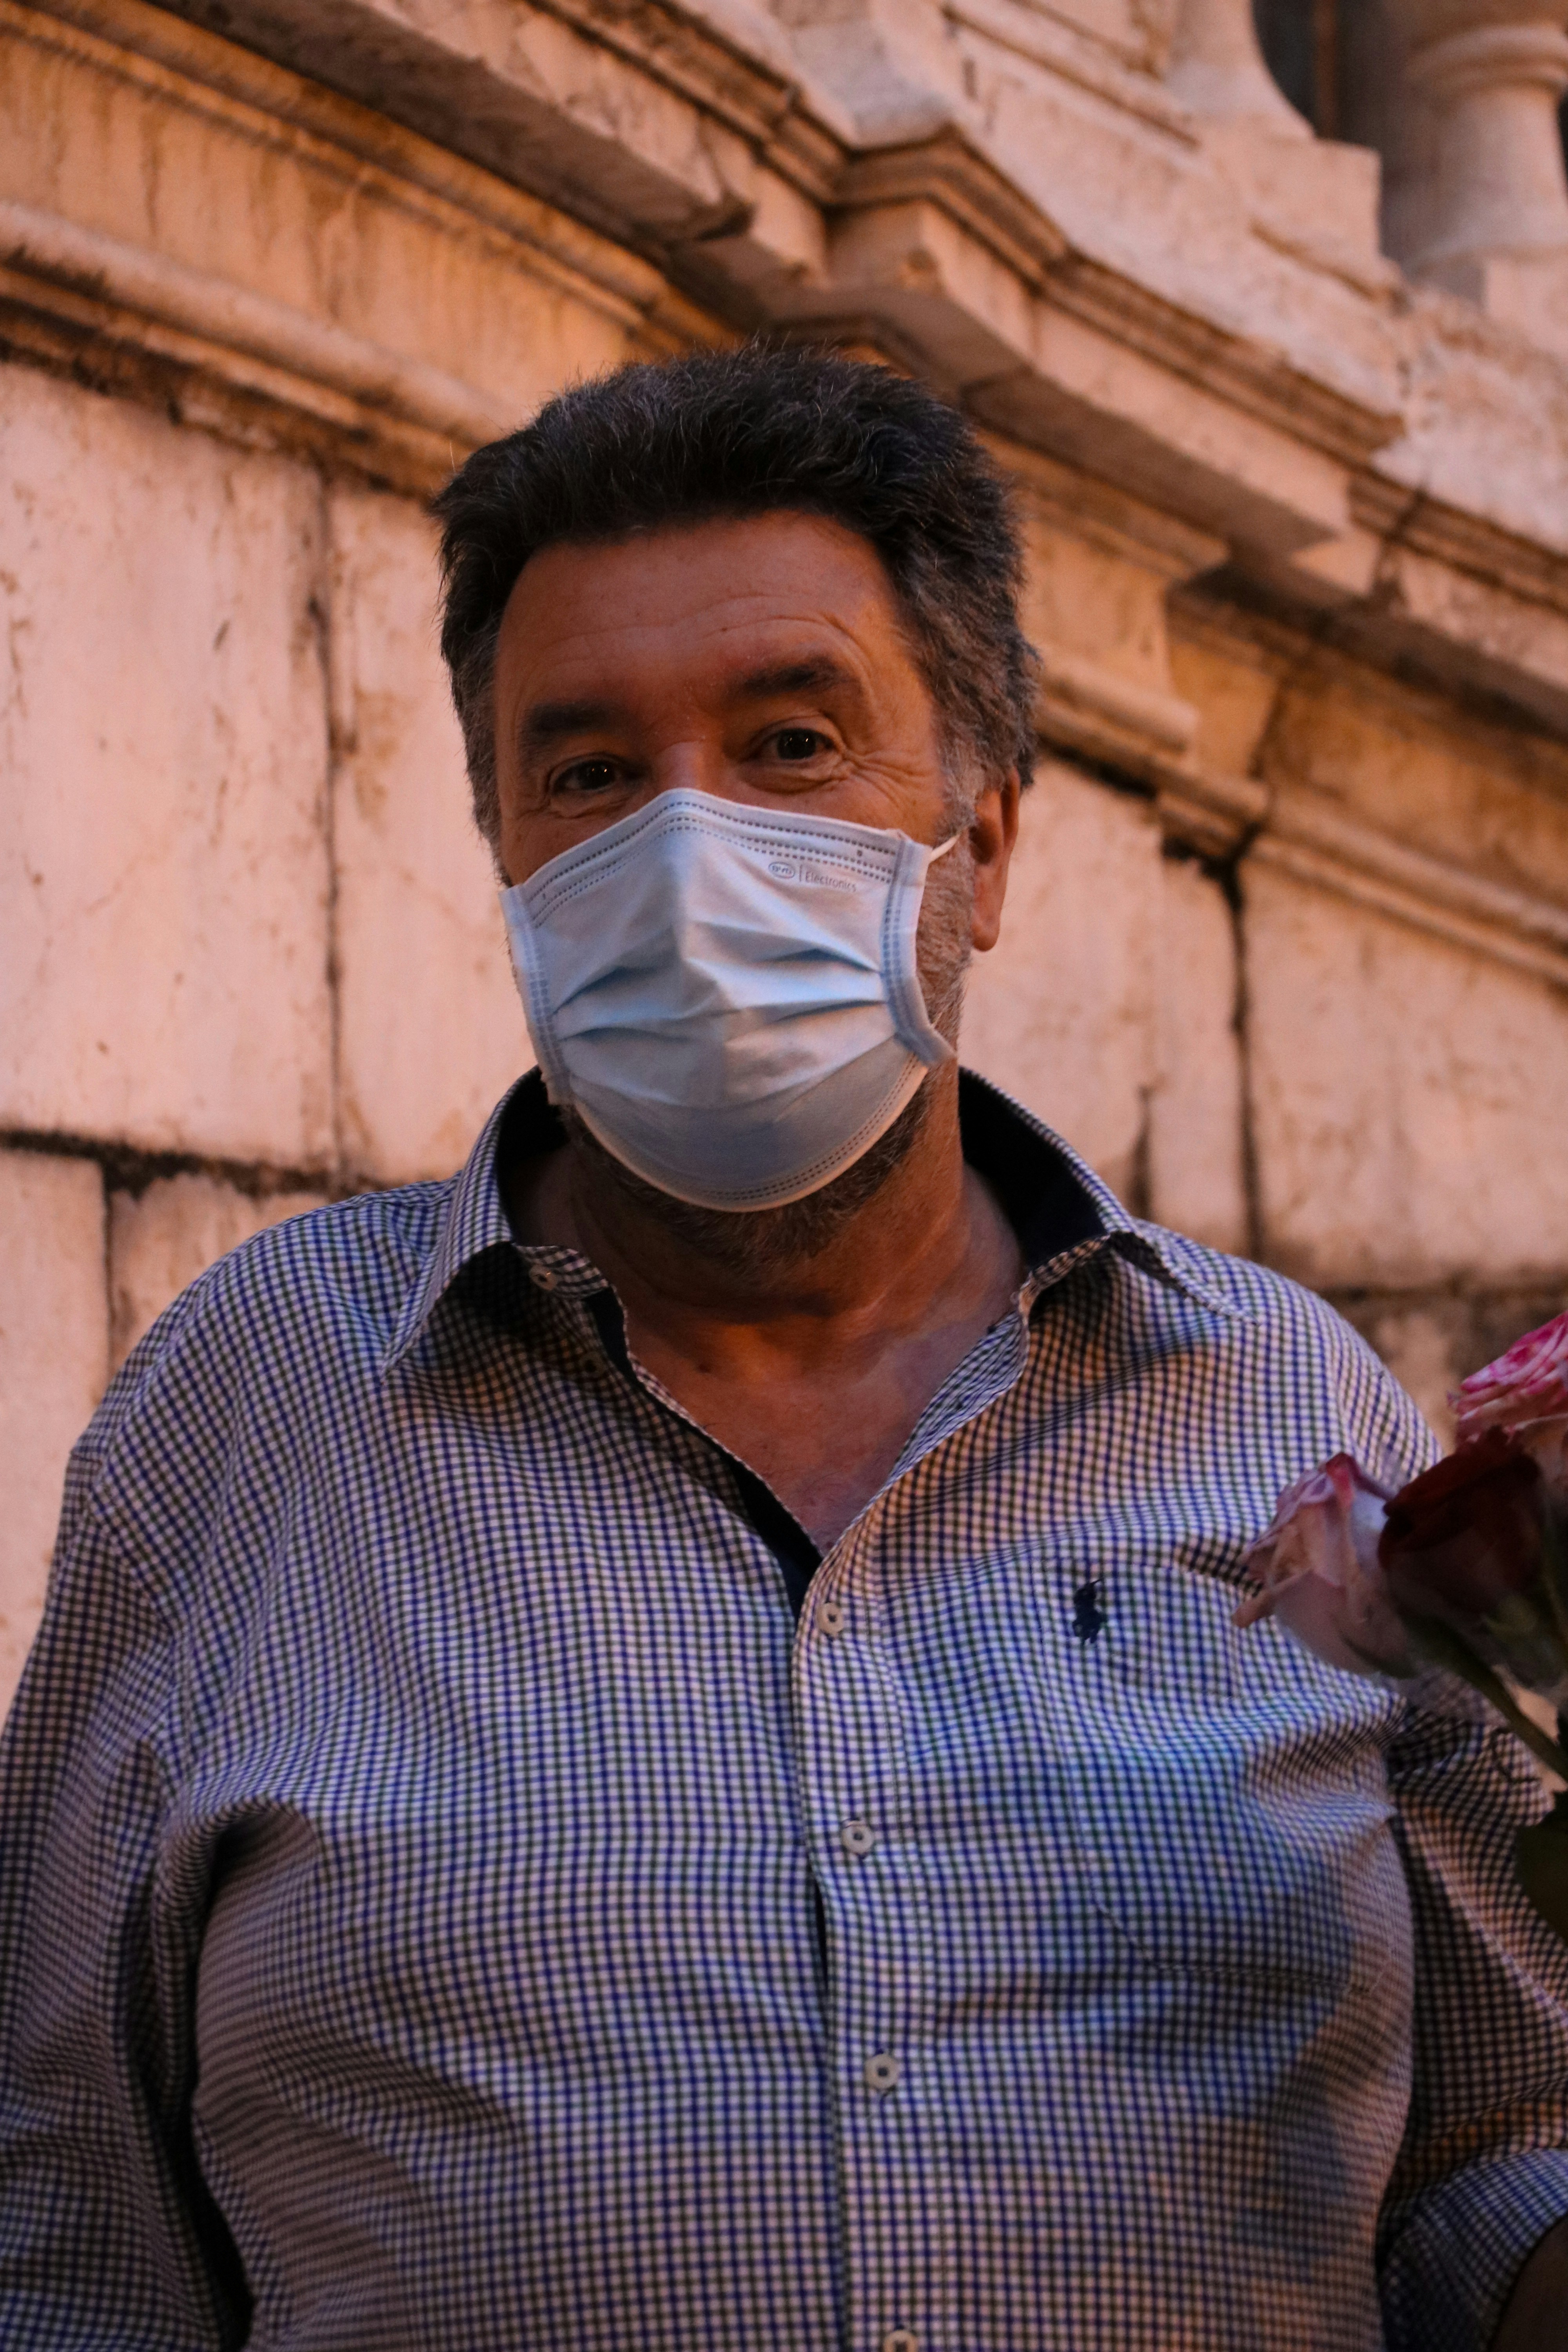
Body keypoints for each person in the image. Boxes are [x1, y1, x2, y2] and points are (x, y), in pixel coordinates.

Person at [1, 348, 1564, 2352]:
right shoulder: (240, 1427)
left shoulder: (1281, 1410)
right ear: (503, 851)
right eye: (585, 772)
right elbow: (73, 2246)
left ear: (983, 846)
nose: (684, 850)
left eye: (793, 740)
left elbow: (1485, 2169)